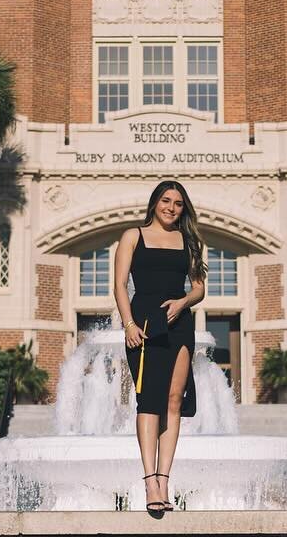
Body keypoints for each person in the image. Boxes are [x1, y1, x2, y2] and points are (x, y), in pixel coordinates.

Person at [115, 180, 207, 517]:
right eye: (166, 201)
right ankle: (150, 481)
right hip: (144, 322)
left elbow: (198, 289)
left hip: (180, 322)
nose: (171, 207)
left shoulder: (191, 240)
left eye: (178, 203)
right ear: (155, 203)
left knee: (173, 399)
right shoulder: (133, 236)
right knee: (149, 400)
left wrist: (184, 302)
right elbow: (120, 285)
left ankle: (165, 481)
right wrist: (128, 324)